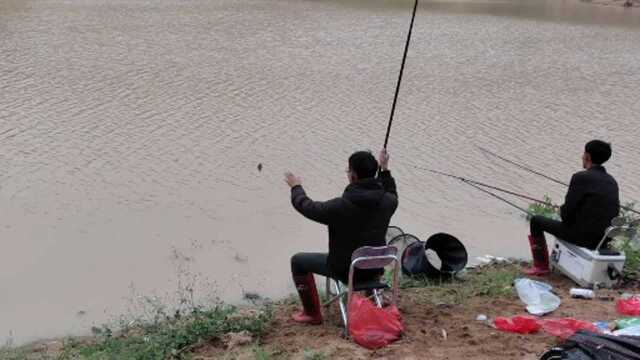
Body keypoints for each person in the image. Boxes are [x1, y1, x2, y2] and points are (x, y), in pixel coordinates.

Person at [284, 149, 398, 325]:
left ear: (352, 176)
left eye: (348, 170)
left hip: (345, 270)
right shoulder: (388, 201)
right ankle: (373, 296)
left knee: (297, 261)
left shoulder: (340, 207)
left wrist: (296, 187)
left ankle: (312, 313)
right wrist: (385, 169)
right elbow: (391, 189)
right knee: (367, 250)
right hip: (376, 267)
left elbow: (306, 206)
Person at [525, 140, 620, 276]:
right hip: (603, 240)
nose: (582, 156)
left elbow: (567, 214)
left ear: (587, 156)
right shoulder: (612, 182)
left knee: (536, 221)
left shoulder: (580, 177)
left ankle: (541, 266)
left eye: (583, 154)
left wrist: (561, 210)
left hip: (582, 237)